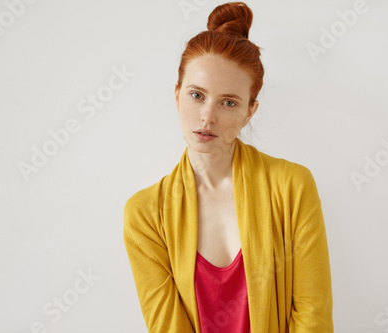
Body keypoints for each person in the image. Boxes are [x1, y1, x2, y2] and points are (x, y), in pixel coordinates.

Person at [123, 2, 333, 332]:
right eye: (196, 95)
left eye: (229, 102)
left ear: (250, 111)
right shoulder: (146, 214)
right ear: (177, 94)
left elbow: (312, 313)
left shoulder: (292, 186)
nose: (208, 116)